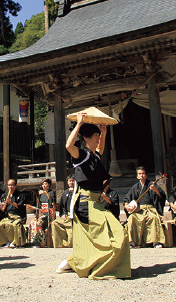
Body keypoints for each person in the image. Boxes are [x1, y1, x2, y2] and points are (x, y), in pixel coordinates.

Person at [58, 114, 131, 279]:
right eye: (96, 136)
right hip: (85, 203)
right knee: (98, 236)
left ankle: (76, 262)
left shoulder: (94, 156)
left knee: (116, 232)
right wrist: (79, 124)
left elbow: (101, 150)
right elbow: (69, 145)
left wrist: (103, 132)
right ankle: (86, 264)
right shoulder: (82, 155)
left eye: (99, 136)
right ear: (86, 138)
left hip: (96, 202)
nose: (98, 139)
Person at [123, 167, 166, 248]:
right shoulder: (135, 187)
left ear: (146, 175)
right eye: (139, 174)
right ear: (137, 176)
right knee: (132, 218)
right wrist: (127, 206)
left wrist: (156, 190)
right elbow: (126, 199)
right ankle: (132, 242)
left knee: (153, 218)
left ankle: (155, 242)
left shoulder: (152, 185)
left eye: (143, 174)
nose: (141, 175)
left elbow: (162, 196)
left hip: (150, 208)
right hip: (139, 209)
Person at [0, 178, 28, 248]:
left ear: (16, 186)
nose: (10, 187)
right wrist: (2, 207)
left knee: (14, 224)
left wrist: (12, 203)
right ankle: (4, 242)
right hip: (8, 216)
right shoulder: (4, 195)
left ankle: (15, 242)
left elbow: (21, 207)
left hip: (17, 215)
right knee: (1, 224)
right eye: (9, 185)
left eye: (12, 185)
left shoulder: (20, 195)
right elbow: (2, 210)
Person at [27, 178, 56, 248]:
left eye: (45, 184)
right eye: (43, 184)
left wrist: (45, 193)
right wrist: (31, 207)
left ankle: (42, 242)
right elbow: (40, 208)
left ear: (49, 185)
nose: (44, 185)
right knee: (32, 223)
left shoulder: (51, 193)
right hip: (43, 214)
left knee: (40, 222)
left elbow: (51, 202)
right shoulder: (41, 195)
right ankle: (33, 241)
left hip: (49, 215)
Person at [51, 176, 75, 248]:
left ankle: (69, 244)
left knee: (71, 234)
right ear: (67, 182)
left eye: (73, 181)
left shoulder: (78, 191)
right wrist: (64, 214)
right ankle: (59, 244)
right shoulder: (65, 193)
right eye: (69, 181)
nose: (71, 182)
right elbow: (62, 206)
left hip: (75, 216)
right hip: (67, 216)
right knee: (55, 223)